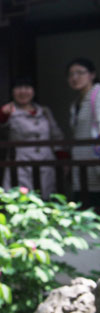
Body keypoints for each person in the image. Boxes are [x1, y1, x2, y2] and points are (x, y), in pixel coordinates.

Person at [0, 78, 64, 199]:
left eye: (27, 88)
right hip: (21, 163)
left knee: (47, 198)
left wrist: (63, 157)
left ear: (33, 91)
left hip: (46, 162)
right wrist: (3, 114)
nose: (23, 92)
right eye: (18, 88)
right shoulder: (9, 110)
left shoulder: (44, 111)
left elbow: (56, 136)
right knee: (22, 199)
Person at [67, 58, 100, 205]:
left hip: (94, 164)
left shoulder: (98, 94)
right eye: (71, 74)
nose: (75, 78)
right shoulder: (76, 103)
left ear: (92, 75)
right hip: (82, 165)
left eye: (80, 73)